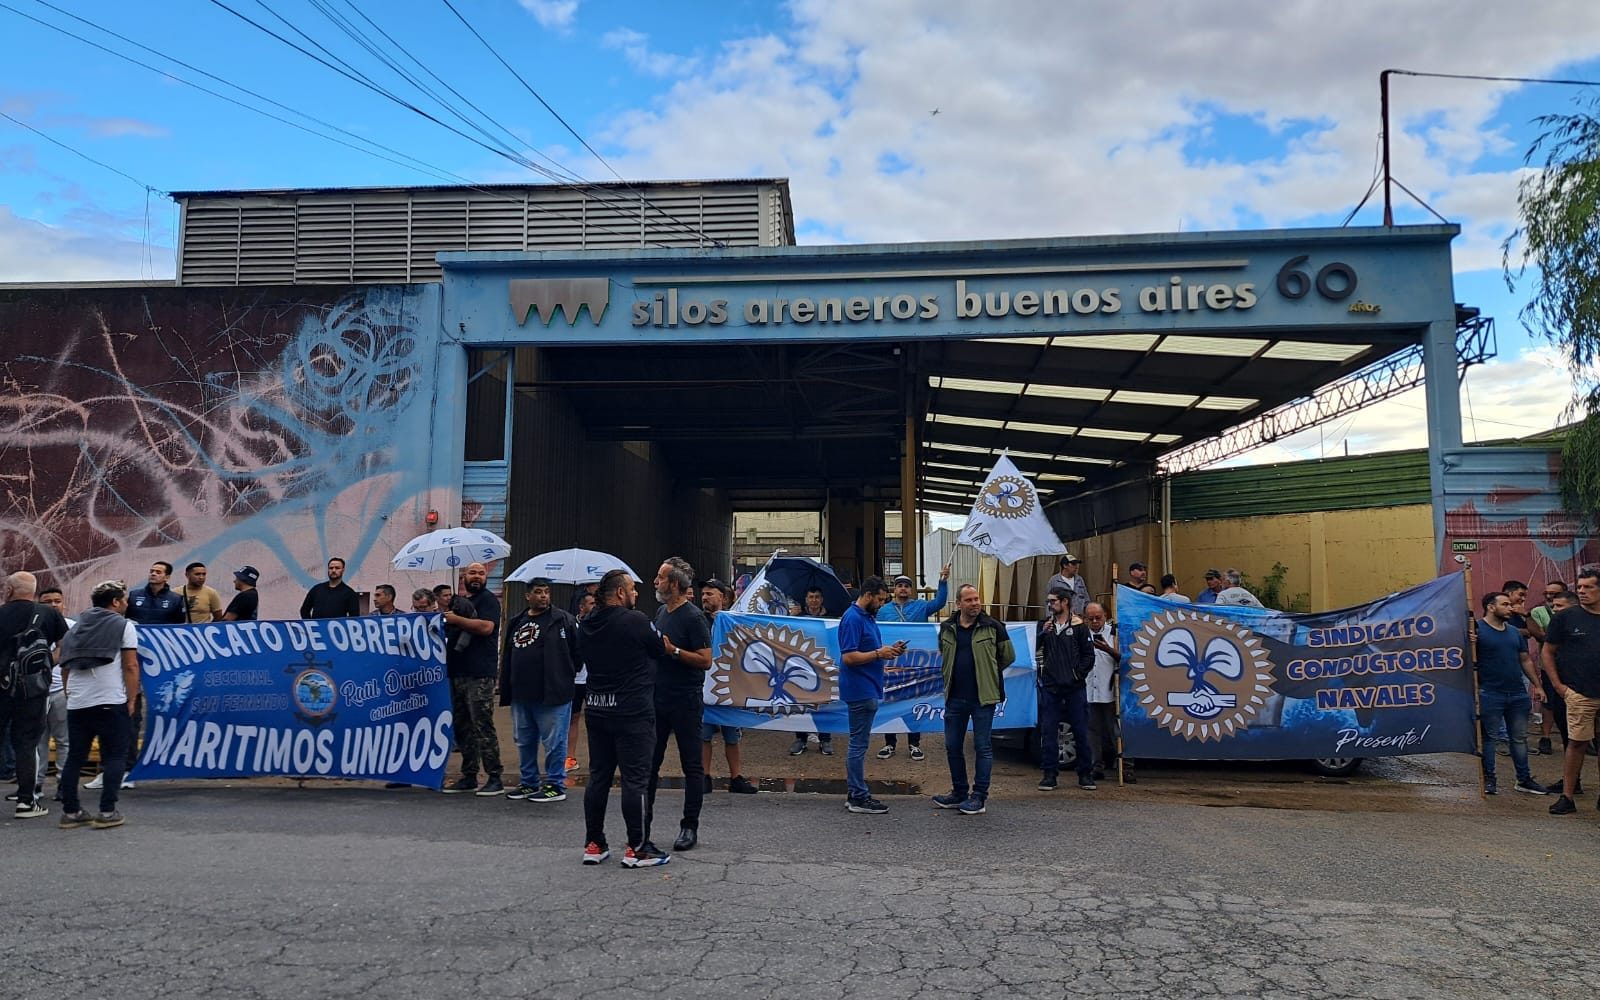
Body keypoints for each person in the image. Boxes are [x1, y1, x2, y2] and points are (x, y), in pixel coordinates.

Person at [577, 569, 673, 868]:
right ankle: (638, 847)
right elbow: (662, 648)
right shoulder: (636, 620)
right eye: (632, 589)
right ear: (619, 592)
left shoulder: (586, 624)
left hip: (597, 708)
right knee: (635, 780)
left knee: (598, 777)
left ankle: (594, 843)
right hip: (632, 711)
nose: (636, 594)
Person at [55, 580, 139, 830]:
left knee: (75, 757)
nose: (126, 603)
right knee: (114, 756)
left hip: (78, 702)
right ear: (115, 602)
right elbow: (131, 666)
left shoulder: (75, 629)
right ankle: (107, 811)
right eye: (123, 599)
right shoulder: (124, 626)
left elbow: (65, 667)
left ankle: (71, 813)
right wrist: (131, 698)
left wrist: (71, 694)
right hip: (110, 701)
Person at [646, 557, 712, 852]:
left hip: (685, 700)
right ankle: (642, 825)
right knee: (649, 763)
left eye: (660, 578)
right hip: (657, 698)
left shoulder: (694, 617)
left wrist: (674, 651)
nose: (655, 582)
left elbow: (705, 660)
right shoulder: (661, 611)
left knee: (691, 765)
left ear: (674, 584)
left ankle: (689, 827)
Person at [931, 584, 1015, 815]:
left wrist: (988, 672)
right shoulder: (947, 628)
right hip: (955, 698)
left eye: (977, 598)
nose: (975, 603)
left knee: (982, 747)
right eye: (969, 600)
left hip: (983, 699)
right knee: (952, 747)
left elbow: (1008, 656)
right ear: (958, 604)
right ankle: (959, 793)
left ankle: (979, 796)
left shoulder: (994, 626)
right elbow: (944, 654)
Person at [501, 577, 579, 803]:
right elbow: (507, 654)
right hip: (521, 694)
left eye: (546, 592)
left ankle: (555, 784)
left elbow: (578, 651)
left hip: (552, 694)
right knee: (524, 740)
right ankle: (528, 782)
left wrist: (564, 675)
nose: (543, 596)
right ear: (528, 596)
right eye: (538, 592)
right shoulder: (517, 621)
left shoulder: (563, 620)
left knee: (554, 742)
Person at [0, 572, 68, 817]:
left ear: (9, 590)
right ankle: (26, 803)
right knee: (27, 745)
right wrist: (47, 663)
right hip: (34, 689)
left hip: (2, 687)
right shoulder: (49, 613)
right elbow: (65, 646)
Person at [839, 577, 906, 814]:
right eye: (879, 599)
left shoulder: (865, 617)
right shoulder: (853, 618)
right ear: (867, 595)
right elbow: (849, 656)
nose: (880, 604)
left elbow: (866, 651)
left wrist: (888, 650)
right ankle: (857, 795)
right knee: (858, 744)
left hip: (866, 687)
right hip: (860, 688)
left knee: (859, 743)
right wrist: (879, 653)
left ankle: (855, 793)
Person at [1474, 591, 1548, 796]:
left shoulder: (1514, 632)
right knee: (1489, 738)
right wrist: (1469, 640)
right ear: (1491, 607)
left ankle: (1523, 779)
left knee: (1519, 738)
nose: (1511, 608)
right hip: (1490, 692)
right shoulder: (1477, 630)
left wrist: (1537, 685)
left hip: (1517, 693)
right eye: (1505, 604)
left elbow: (1525, 659)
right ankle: (1489, 779)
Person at [441, 562, 504, 796]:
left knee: (482, 725)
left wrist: (456, 620)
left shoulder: (488, 600)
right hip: (457, 671)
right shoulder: (459, 603)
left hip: (480, 673)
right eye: (472, 573)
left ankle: (494, 776)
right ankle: (469, 775)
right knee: (462, 726)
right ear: (463, 577)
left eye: (481, 573)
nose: (477, 576)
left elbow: (486, 627)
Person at [1541, 568, 1600, 816]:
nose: (1583, 592)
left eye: (1588, 587)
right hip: (1578, 692)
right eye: (1580, 588)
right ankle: (1567, 796)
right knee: (1576, 743)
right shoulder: (1566, 618)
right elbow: (1547, 652)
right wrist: (1559, 686)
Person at [876, 565, 950, 761]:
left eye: (906, 586)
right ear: (894, 589)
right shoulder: (883, 611)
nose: (902, 588)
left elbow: (940, 602)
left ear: (911, 590)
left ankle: (914, 744)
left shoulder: (921, 607)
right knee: (890, 700)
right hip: (891, 664)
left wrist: (943, 581)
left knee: (914, 702)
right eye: (899, 585)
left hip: (915, 663)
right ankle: (889, 744)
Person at [1035, 585, 1095, 791]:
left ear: (1064, 602)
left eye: (1053, 601)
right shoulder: (1045, 625)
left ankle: (1085, 773)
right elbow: (1035, 649)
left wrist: (1077, 674)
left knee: (1080, 730)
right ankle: (1049, 774)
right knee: (1049, 730)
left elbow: (1089, 655)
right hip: (1051, 686)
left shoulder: (1079, 626)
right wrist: (1042, 635)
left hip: (1074, 686)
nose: (1050, 604)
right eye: (1049, 601)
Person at [700, 579, 756, 791]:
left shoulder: (734, 621)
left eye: (710, 594)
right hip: (705, 687)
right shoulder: (697, 620)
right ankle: (704, 777)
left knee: (731, 735)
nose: (705, 597)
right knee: (703, 736)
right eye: (703, 594)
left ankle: (736, 778)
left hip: (728, 686)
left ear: (722, 598)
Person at [34, 587, 73, 804]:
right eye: (47, 601)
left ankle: (63, 784)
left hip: (61, 692)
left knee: (64, 741)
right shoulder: (31, 627)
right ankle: (36, 784)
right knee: (37, 742)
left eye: (57, 601)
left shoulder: (73, 627)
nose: (53, 605)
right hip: (37, 694)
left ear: (63, 603)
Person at [1082, 601, 1129, 782]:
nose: (1094, 621)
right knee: (1092, 731)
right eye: (1090, 618)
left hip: (1111, 690)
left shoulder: (1114, 633)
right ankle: (1096, 766)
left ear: (1105, 616)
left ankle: (1124, 766)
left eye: (1098, 618)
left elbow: (1125, 659)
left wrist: (1108, 649)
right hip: (1089, 689)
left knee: (1115, 730)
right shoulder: (1083, 634)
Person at [790, 586, 835, 756]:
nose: (814, 600)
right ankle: (801, 739)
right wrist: (791, 618)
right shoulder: (798, 617)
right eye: (811, 597)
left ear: (822, 599)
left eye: (817, 597)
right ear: (806, 599)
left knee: (824, 703)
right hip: (802, 665)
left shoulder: (832, 616)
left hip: (824, 665)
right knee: (800, 702)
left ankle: (825, 739)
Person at [1529, 582, 1570, 755]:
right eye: (1546, 592)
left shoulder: (1577, 613)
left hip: (1572, 666)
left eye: (1554, 593)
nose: (1549, 596)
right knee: (1549, 702)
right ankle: (1545, 737)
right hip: (1550, 666)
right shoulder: (1539, 612)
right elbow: (1540, 636)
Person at [566, 590, 597, 772]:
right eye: (591, 603)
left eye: (596, 603)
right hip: (576, 680)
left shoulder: (599, 624)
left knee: (596, 720)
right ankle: (569, 757)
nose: (594, 607)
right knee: (573, 718)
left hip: (594, 679)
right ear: (582, 607)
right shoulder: (572, 625)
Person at [1047, 554, 1090, 619]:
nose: (1076, 567)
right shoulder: (1054, 581)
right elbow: (1049, 602)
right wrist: (1050, 618)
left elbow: (1086, 599)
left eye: (1077, 564)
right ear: (1065, 565)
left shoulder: (1079, 579)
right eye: (1073, 564)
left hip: (1079, 618)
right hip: (1061, 619)